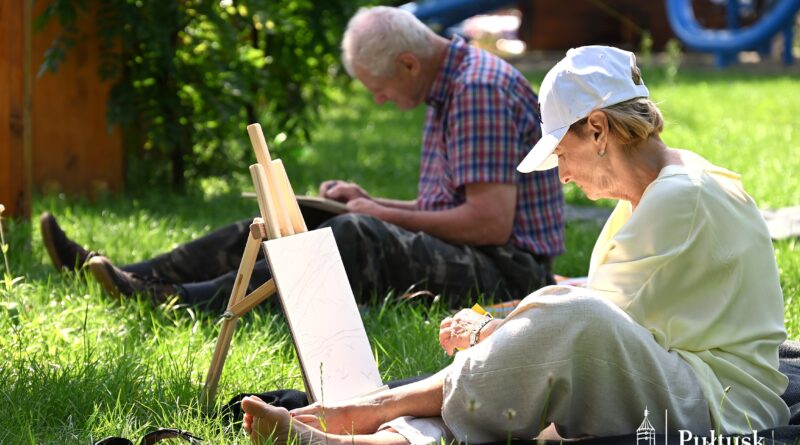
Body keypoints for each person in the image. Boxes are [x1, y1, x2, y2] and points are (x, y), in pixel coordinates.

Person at [237, 45, 790, 444]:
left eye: (562, 154)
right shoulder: (658, 191)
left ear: (597, 130)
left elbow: (596, 323)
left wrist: (490, 329)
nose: (562, 176)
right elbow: (609, 303)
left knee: (566, 323)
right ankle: (367, 441)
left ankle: (372, 409)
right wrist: (511, 317)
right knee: (541, 337)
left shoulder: (679, 197)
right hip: (689, 379)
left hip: (725, 406)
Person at [40, 6, 564, 309]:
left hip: (510, 273)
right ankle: (125, 274)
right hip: (482, 252)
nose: (380, 100)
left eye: (378, 88)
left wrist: (378, 215)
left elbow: (490, 224)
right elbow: (451, 208)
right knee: (294, 216)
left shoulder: (477, 92)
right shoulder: (450, 84)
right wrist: (369, 199)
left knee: (357, 235)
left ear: (408, 63)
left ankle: (181, 300)